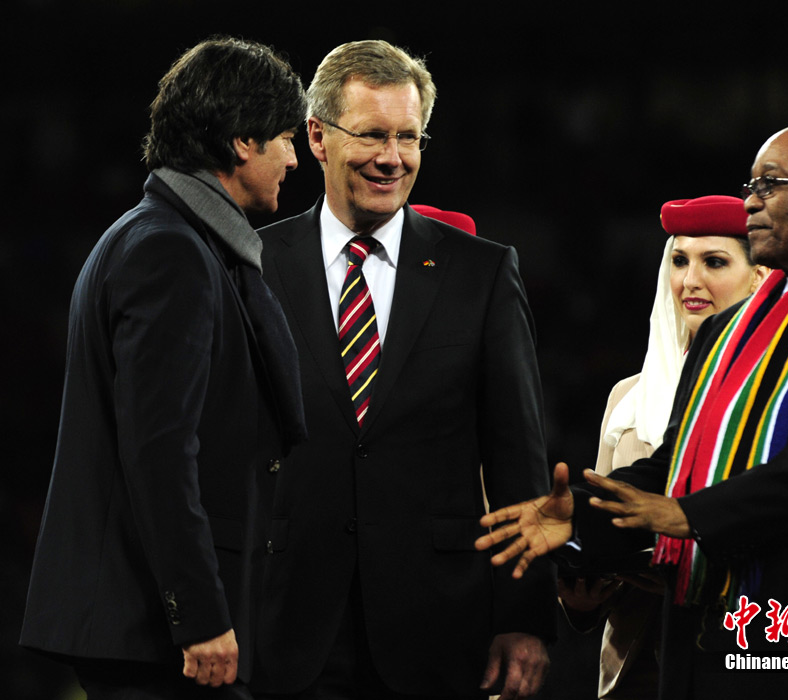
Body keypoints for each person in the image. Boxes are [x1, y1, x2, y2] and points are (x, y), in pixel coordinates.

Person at [477, 124, 788, 699]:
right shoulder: (727, 331)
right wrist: (583, 517)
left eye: (771, 185)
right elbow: (674, 463)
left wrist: (691, 515)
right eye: (751, 185)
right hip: (704, 645)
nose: (751, 201)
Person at [252, 40, 555, 700]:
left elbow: (518, 462)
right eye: (371, 135)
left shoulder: (481, 272)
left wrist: (524, 617)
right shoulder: (252, 266)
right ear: (317, 137)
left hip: (441, 629)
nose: (392, 157)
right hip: (286, 625)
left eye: (408, 137)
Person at [19, 37, 307, 698]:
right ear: (242, 142)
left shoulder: (158, 237)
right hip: (157, 636)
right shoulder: (170, 253)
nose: (294, 159)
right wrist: (199, 616)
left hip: (151, 629)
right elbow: (159, 450)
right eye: (286, 139)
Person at [553, 196, 767, 699]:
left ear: (758, 277)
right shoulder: (627, 398)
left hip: (736, 657)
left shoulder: (780, 392)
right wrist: (581, 596)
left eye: (714, 262)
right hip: (636, 668)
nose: (689, 280)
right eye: (679, 260)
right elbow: (601, 541)